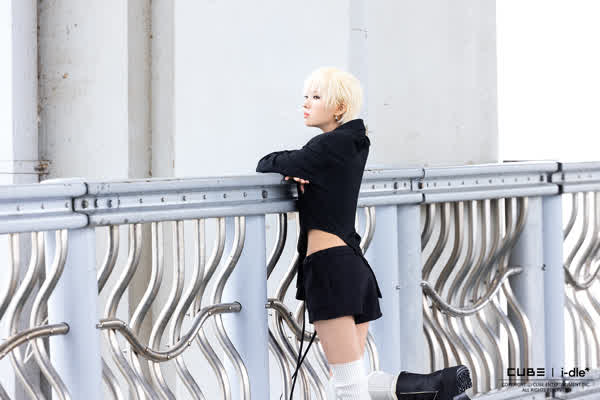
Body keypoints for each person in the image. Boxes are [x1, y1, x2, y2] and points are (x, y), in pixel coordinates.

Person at [256, 66, 472, 400]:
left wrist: (293, 167)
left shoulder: (329, 145)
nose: (306, 103)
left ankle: (434, 387)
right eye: (306, 96)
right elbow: (298, 164)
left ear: (339, 107)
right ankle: (433, 386)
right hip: (350, 266)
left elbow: (268, 162)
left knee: (348, 386)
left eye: (316, 97)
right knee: (349, 377)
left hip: (330, 270)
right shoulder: (349, 144)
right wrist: (299, 168)